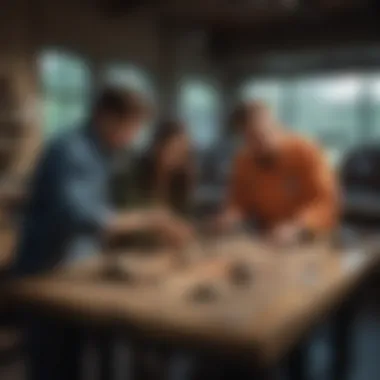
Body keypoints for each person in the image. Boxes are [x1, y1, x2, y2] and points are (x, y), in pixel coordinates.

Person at [13, 86, 193, 380]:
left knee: (78, 360)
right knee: (50, 363)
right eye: (131, 127)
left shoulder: (102, 153)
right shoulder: (70, 150)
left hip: (75, 271)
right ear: (107, 118)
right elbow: (80, 216)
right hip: (45, 272)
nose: (133, 137)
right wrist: (152, 218)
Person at [213, 100, 340, 245]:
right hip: (270, 238)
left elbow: (326, 203)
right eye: (249, 138)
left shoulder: (307, 151)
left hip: (312, 236)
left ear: (275, 126)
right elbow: (239, 201)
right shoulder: (243, 161)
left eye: (262, 134)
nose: (259, 143)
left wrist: (297, 226)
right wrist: (231, 216)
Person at [139, 119, 196, 216]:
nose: (180, 156)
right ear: (159, 146)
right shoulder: (138, 174)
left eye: (184, 151)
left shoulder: (181, 181)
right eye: (175, 148)